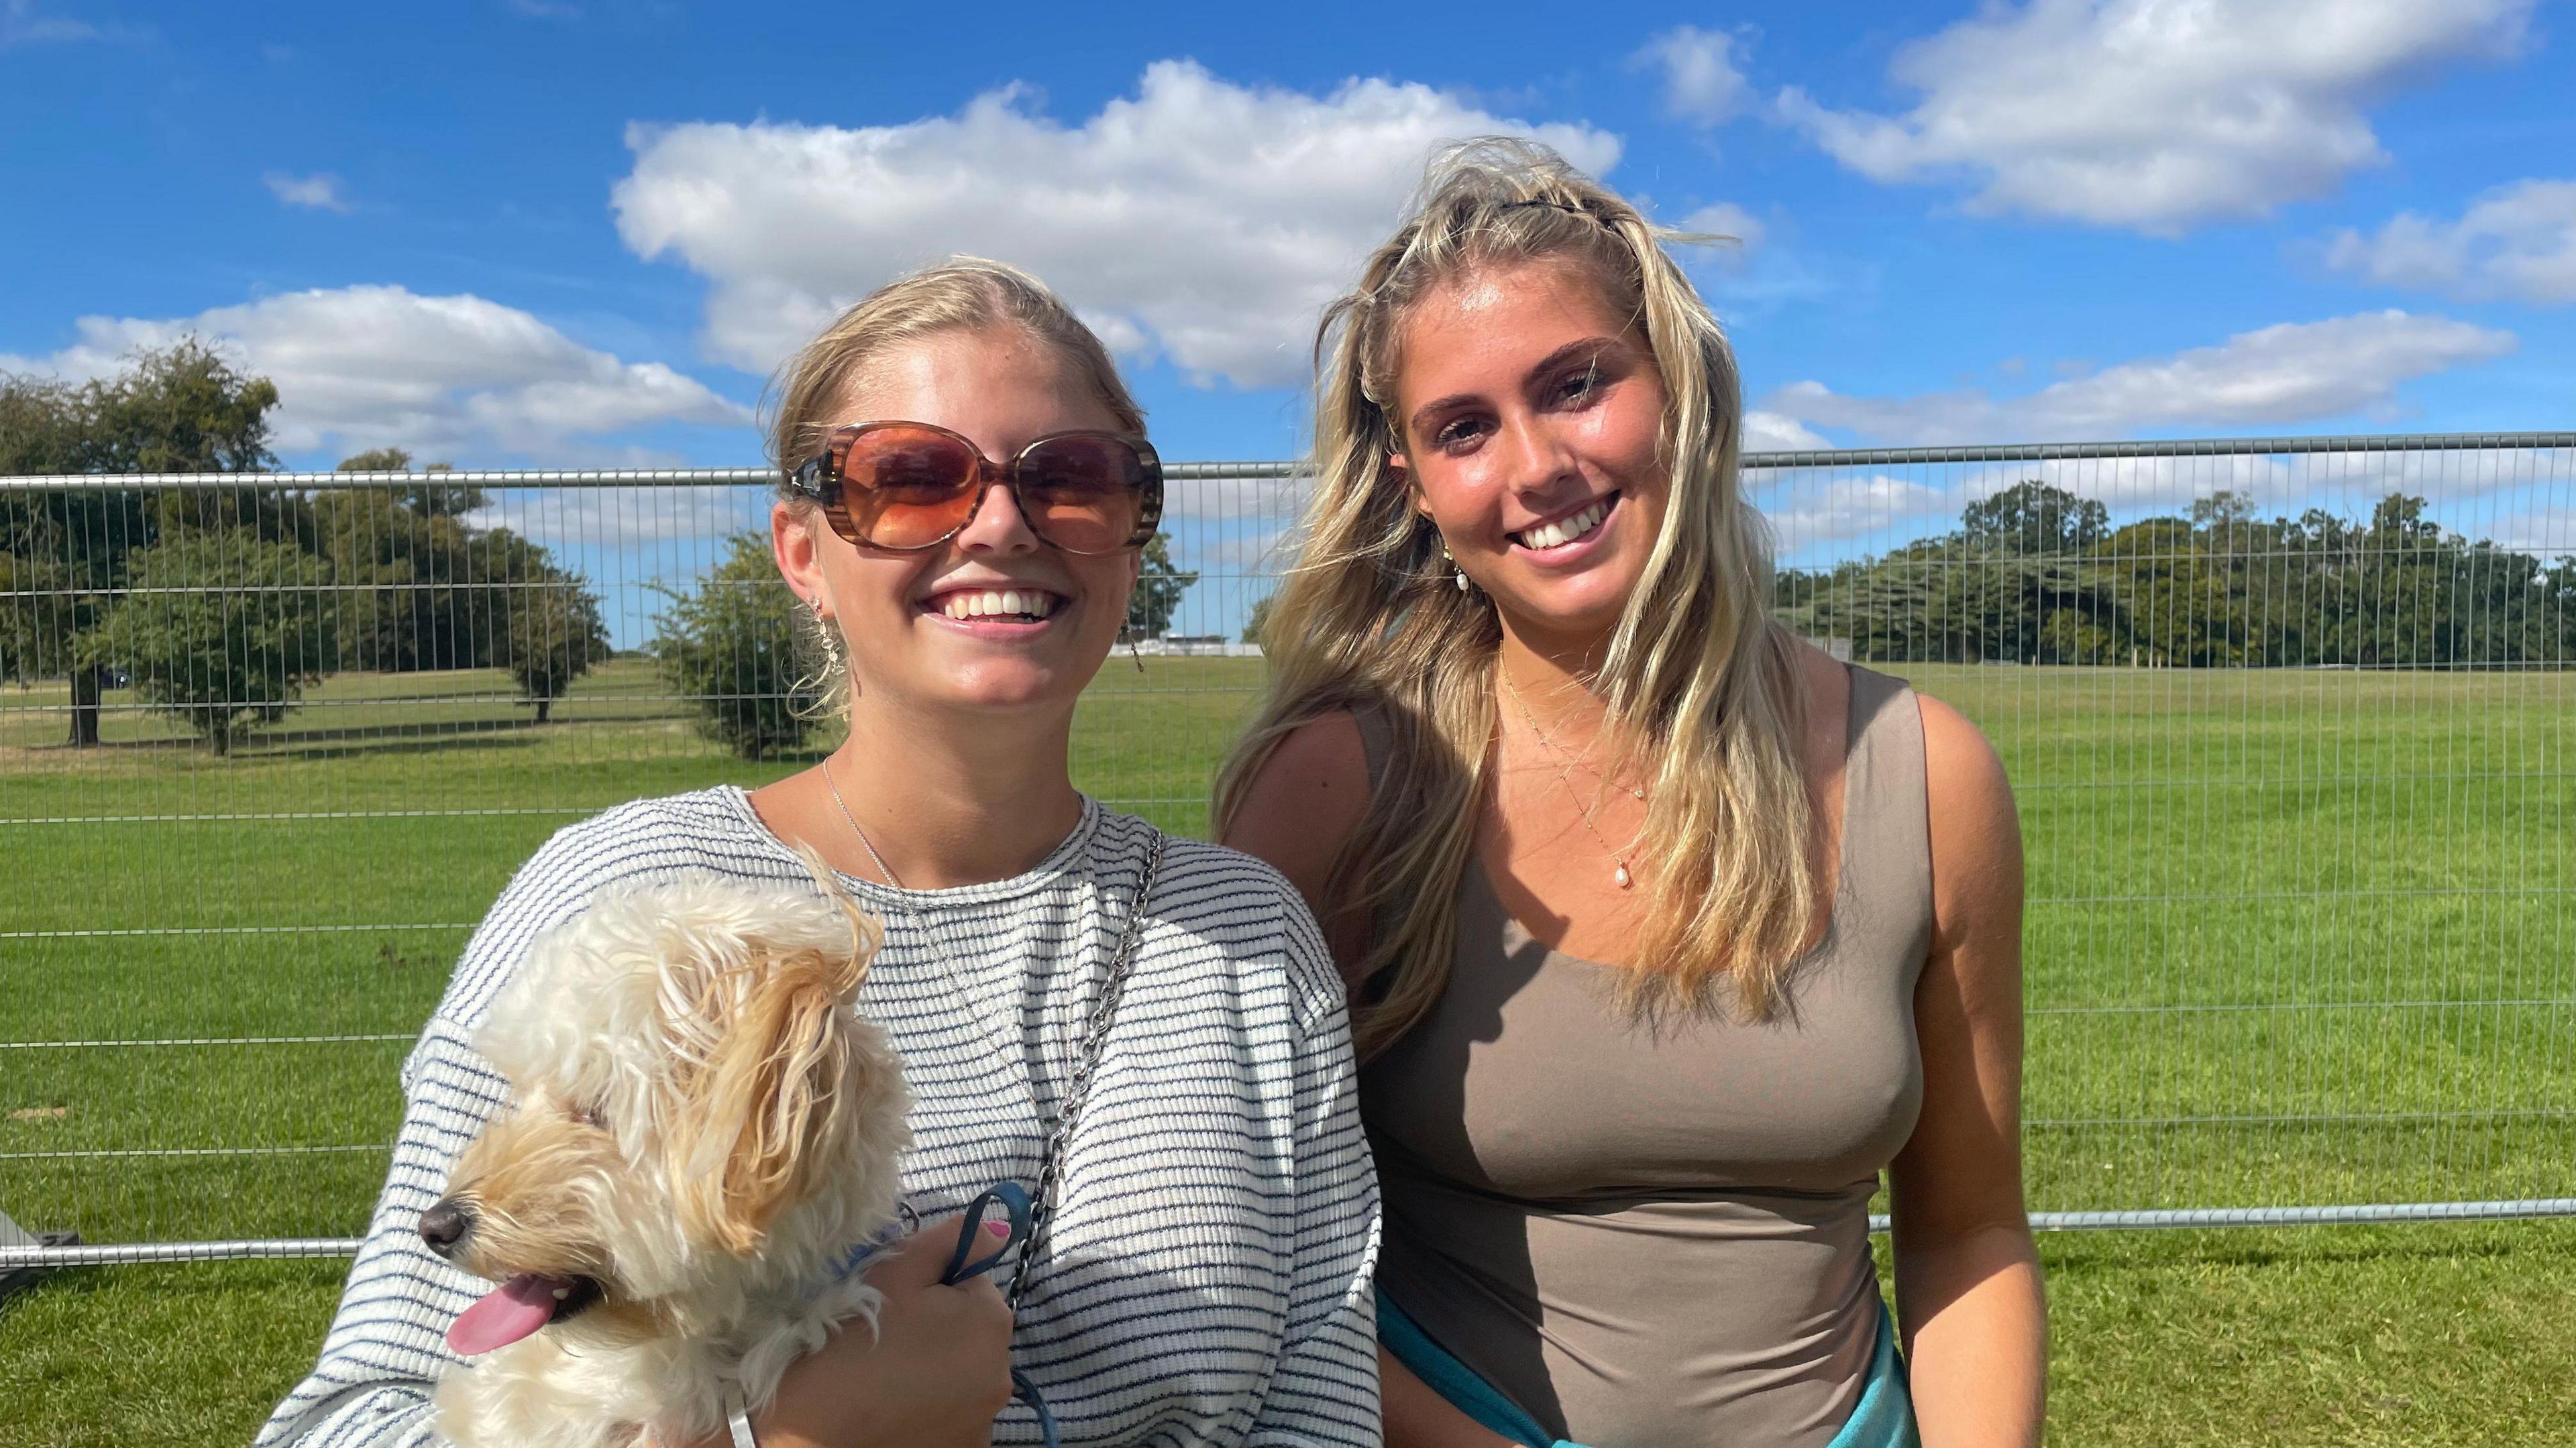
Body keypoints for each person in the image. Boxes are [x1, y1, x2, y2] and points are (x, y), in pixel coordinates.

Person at [258, 259, 1380, 1448]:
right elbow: (349, 1421)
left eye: (1072, 477)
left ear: (1132, 534)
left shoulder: (1247, 936)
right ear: (803, 553)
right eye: (911, 478)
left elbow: (1319, 1415)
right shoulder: (623, 903)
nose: (1001, 522)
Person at [1218, 141, 2045, 1448]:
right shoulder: (1336, 787)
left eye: (1578, 384)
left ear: (1682, 388)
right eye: (1464, 427)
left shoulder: (1927, 770)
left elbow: (1971, 1225)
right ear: (1412, 485)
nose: (1538, 463)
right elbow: (1255, 1265)